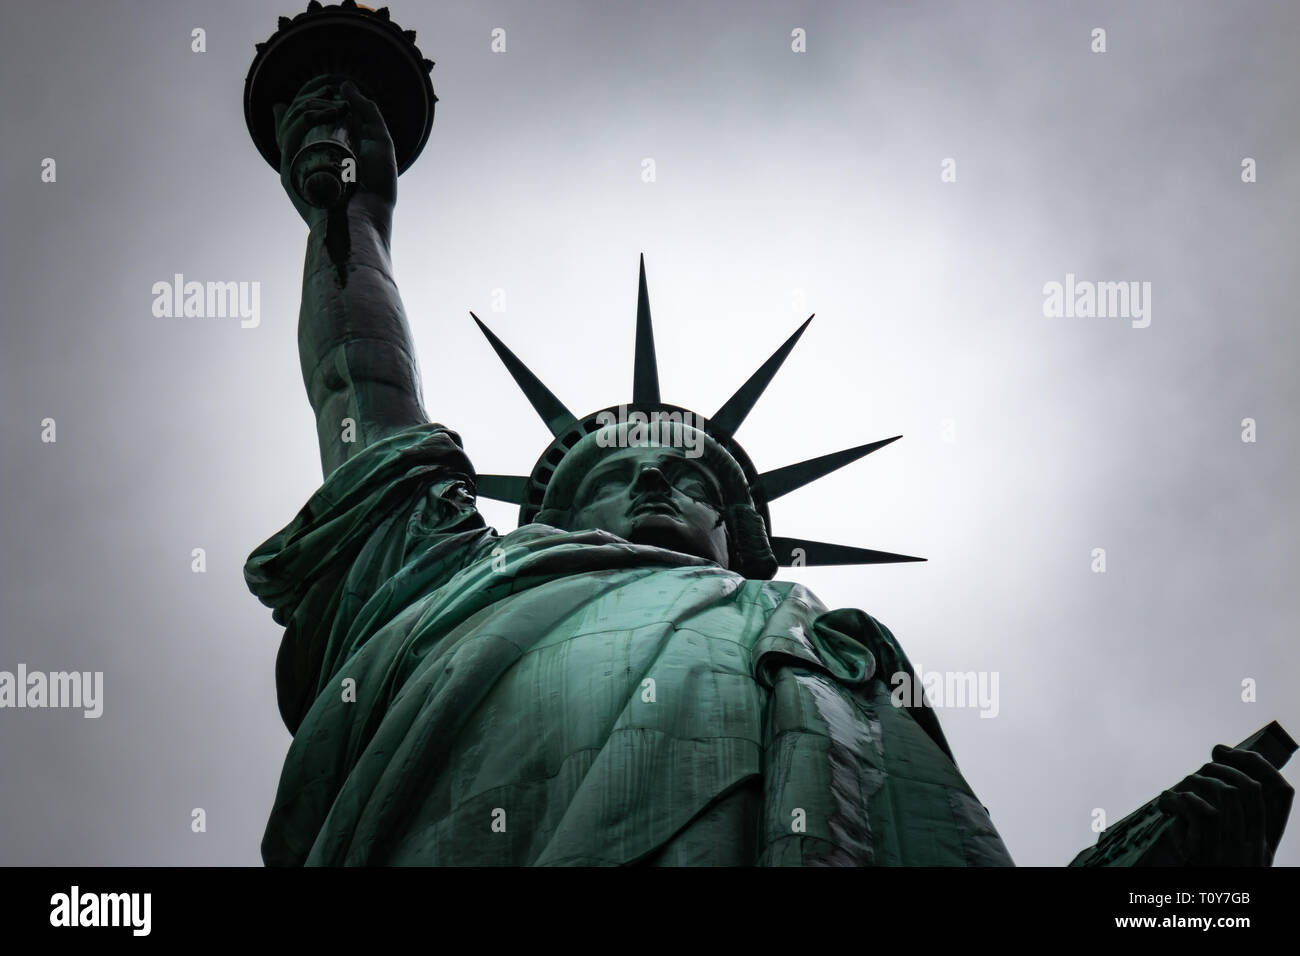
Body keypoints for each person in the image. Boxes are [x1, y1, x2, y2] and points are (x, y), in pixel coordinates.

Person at [245, 78, 1291, 866]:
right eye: (613, 473)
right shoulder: (439, 578)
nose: (658, 486)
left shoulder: (826, 656)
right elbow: (360, 385)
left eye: (696, 484)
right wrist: (352, 216)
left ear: (735, 536)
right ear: (542, 518)